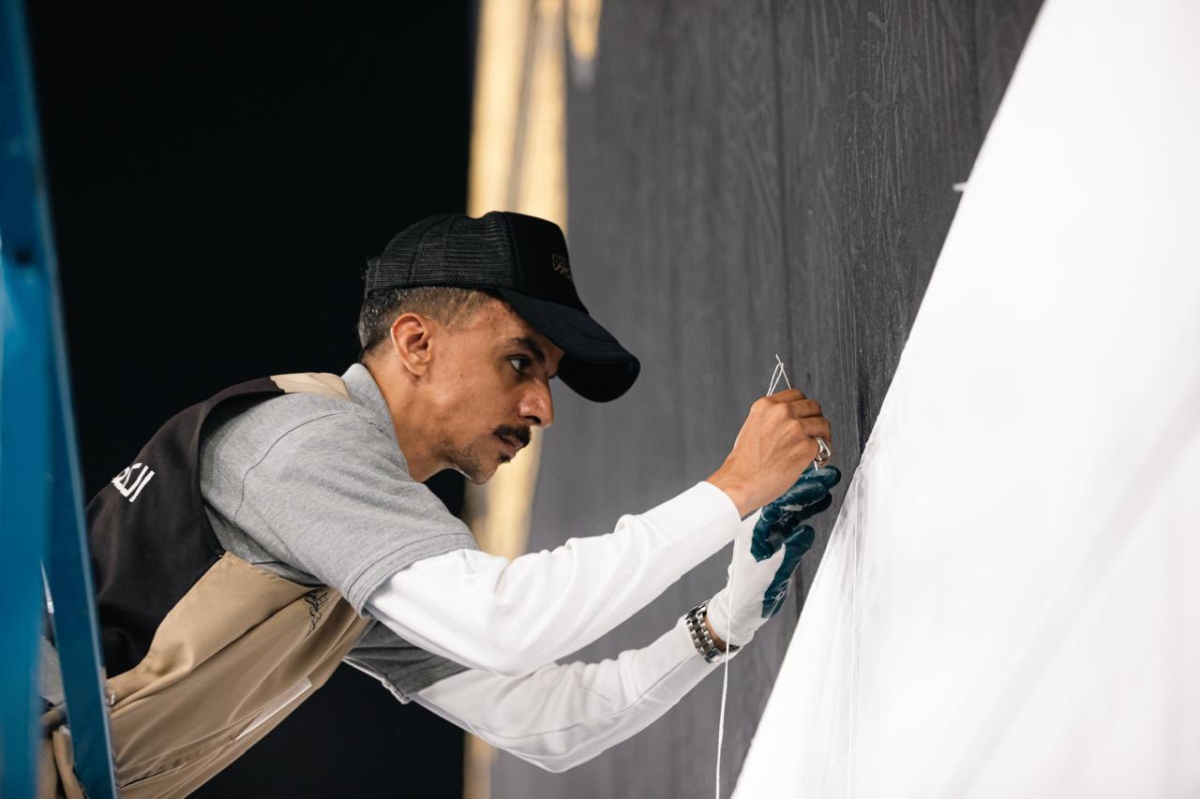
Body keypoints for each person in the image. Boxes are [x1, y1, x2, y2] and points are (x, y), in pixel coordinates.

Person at [40, 211, 838, 797]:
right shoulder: (305, 447)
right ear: (416, 342)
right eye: (519, 361)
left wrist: (721, 624)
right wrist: (734, 486)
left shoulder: (349, 535)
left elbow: (544, 723)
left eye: (548, 379)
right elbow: (507, 623)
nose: (542, 407)